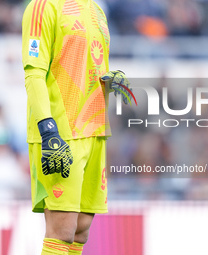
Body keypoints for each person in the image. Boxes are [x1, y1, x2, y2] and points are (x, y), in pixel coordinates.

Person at [22, 0, 131, 254]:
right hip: (61, 133)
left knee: (80, 231)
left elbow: (86, 65)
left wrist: (110, 78)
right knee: (61, 230)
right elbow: (34, 73)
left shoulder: (96, 10)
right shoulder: (42, 6)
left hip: (94, 130)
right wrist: (47, 130)